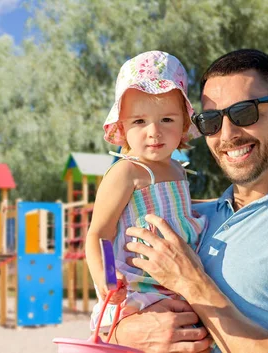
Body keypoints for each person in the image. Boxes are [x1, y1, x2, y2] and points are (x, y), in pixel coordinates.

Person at [110, 49, 268, 353]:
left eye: (245, 113)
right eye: (212, 121)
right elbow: (111, 318)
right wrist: (124, 332)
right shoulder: (189, 216)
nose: (227, 134)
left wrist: (192, 281)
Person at [85, 50, 207, 333]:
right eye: (139, 121)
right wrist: (106, 278)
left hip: (181, 281)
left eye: (166, 120)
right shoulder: (127, 172)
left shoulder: (178, 169)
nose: (154, 132)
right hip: (140, 288)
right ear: (122, 127)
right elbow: (99, 232)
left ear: (184, 124)